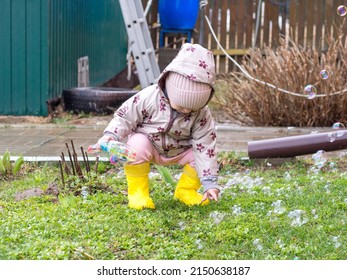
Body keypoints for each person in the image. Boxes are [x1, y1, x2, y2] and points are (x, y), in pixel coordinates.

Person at [98, 43, 220, 210]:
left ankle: (185, 190)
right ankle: (138, 193)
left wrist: (209, 182)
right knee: (136, 146)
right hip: (150, 145)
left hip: (180, 151)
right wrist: (112, 135)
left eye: (192, 108)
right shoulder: (149, 97)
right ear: (169, 88)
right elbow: (125, 116)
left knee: (200, 155)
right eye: (182, 106)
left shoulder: (201, 115)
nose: (187, 111)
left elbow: (205, 145)